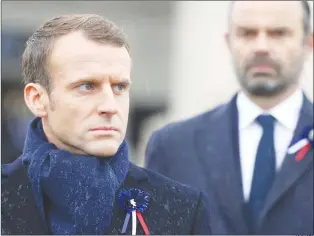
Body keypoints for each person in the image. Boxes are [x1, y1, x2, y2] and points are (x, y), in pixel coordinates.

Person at [1, 14, 217, 235]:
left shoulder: (182, 208)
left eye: (120, 87)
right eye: (87, 86)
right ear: (37, 99)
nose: (110, 106)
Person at [145, 1, 313, 234]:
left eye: (278, 33)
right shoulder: (172, 148)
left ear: (308, 43)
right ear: (229, 42)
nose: (261, 46)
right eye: (247, 33)